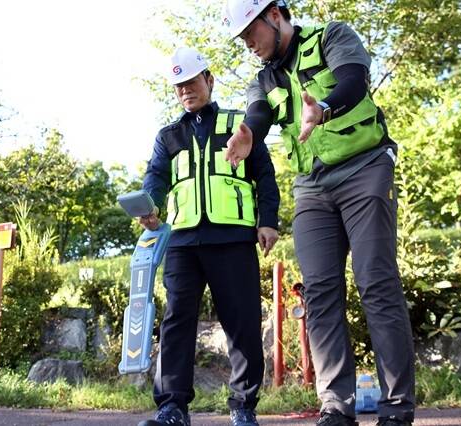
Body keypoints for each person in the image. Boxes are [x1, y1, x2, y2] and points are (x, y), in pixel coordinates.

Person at [221, 1, 416, 426]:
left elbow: (353, 80)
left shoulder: (332, 36)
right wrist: (251, 133)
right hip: (312, 186)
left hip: (366, 166)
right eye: (242, 39)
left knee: (375, 281)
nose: (248, 44)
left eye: (251, 32)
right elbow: (258, 112)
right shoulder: (263, 78)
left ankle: (397, 408)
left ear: (274, 15)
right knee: (320, 292)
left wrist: (322, 108)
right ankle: (336, 408)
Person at [138, 46, 280, 426]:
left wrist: (268, 221)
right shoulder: (168, 136)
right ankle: (172, 407)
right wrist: (148, 205)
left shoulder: (239, 126)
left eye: (192, 82)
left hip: (232, 238)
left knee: (242, 322)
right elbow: (155, 178)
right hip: (183, 242)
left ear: (209, 80)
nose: (186, 91)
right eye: (179, 86)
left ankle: (243, 408)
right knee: (176, 321)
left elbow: (264, 175)